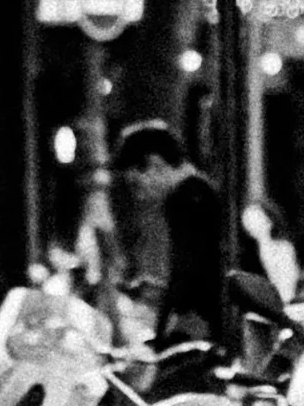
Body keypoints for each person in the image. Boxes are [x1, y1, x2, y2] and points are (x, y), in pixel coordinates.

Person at [109, 120, 254, 348]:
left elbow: (187, 275)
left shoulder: (187, 198)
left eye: (136, 184)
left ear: (155, 164)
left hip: (209, 332)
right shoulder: (199, 191)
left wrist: (162, 337)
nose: (139, 196)